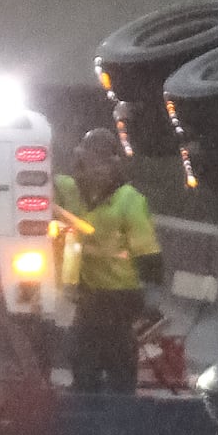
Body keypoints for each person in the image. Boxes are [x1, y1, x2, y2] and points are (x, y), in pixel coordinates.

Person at [54, 128, 161, 394]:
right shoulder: (70, 192)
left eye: (105, 163)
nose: (99, 170)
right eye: (93, 162)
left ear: (115, 165)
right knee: (82, 358)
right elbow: (39, 179)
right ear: (82, 162)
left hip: (121, 298)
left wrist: (150, 303)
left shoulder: (129, 201)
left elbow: (148, 254)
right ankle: (86, 409)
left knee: (118, 360)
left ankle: (120, 413)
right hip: (89, 294)